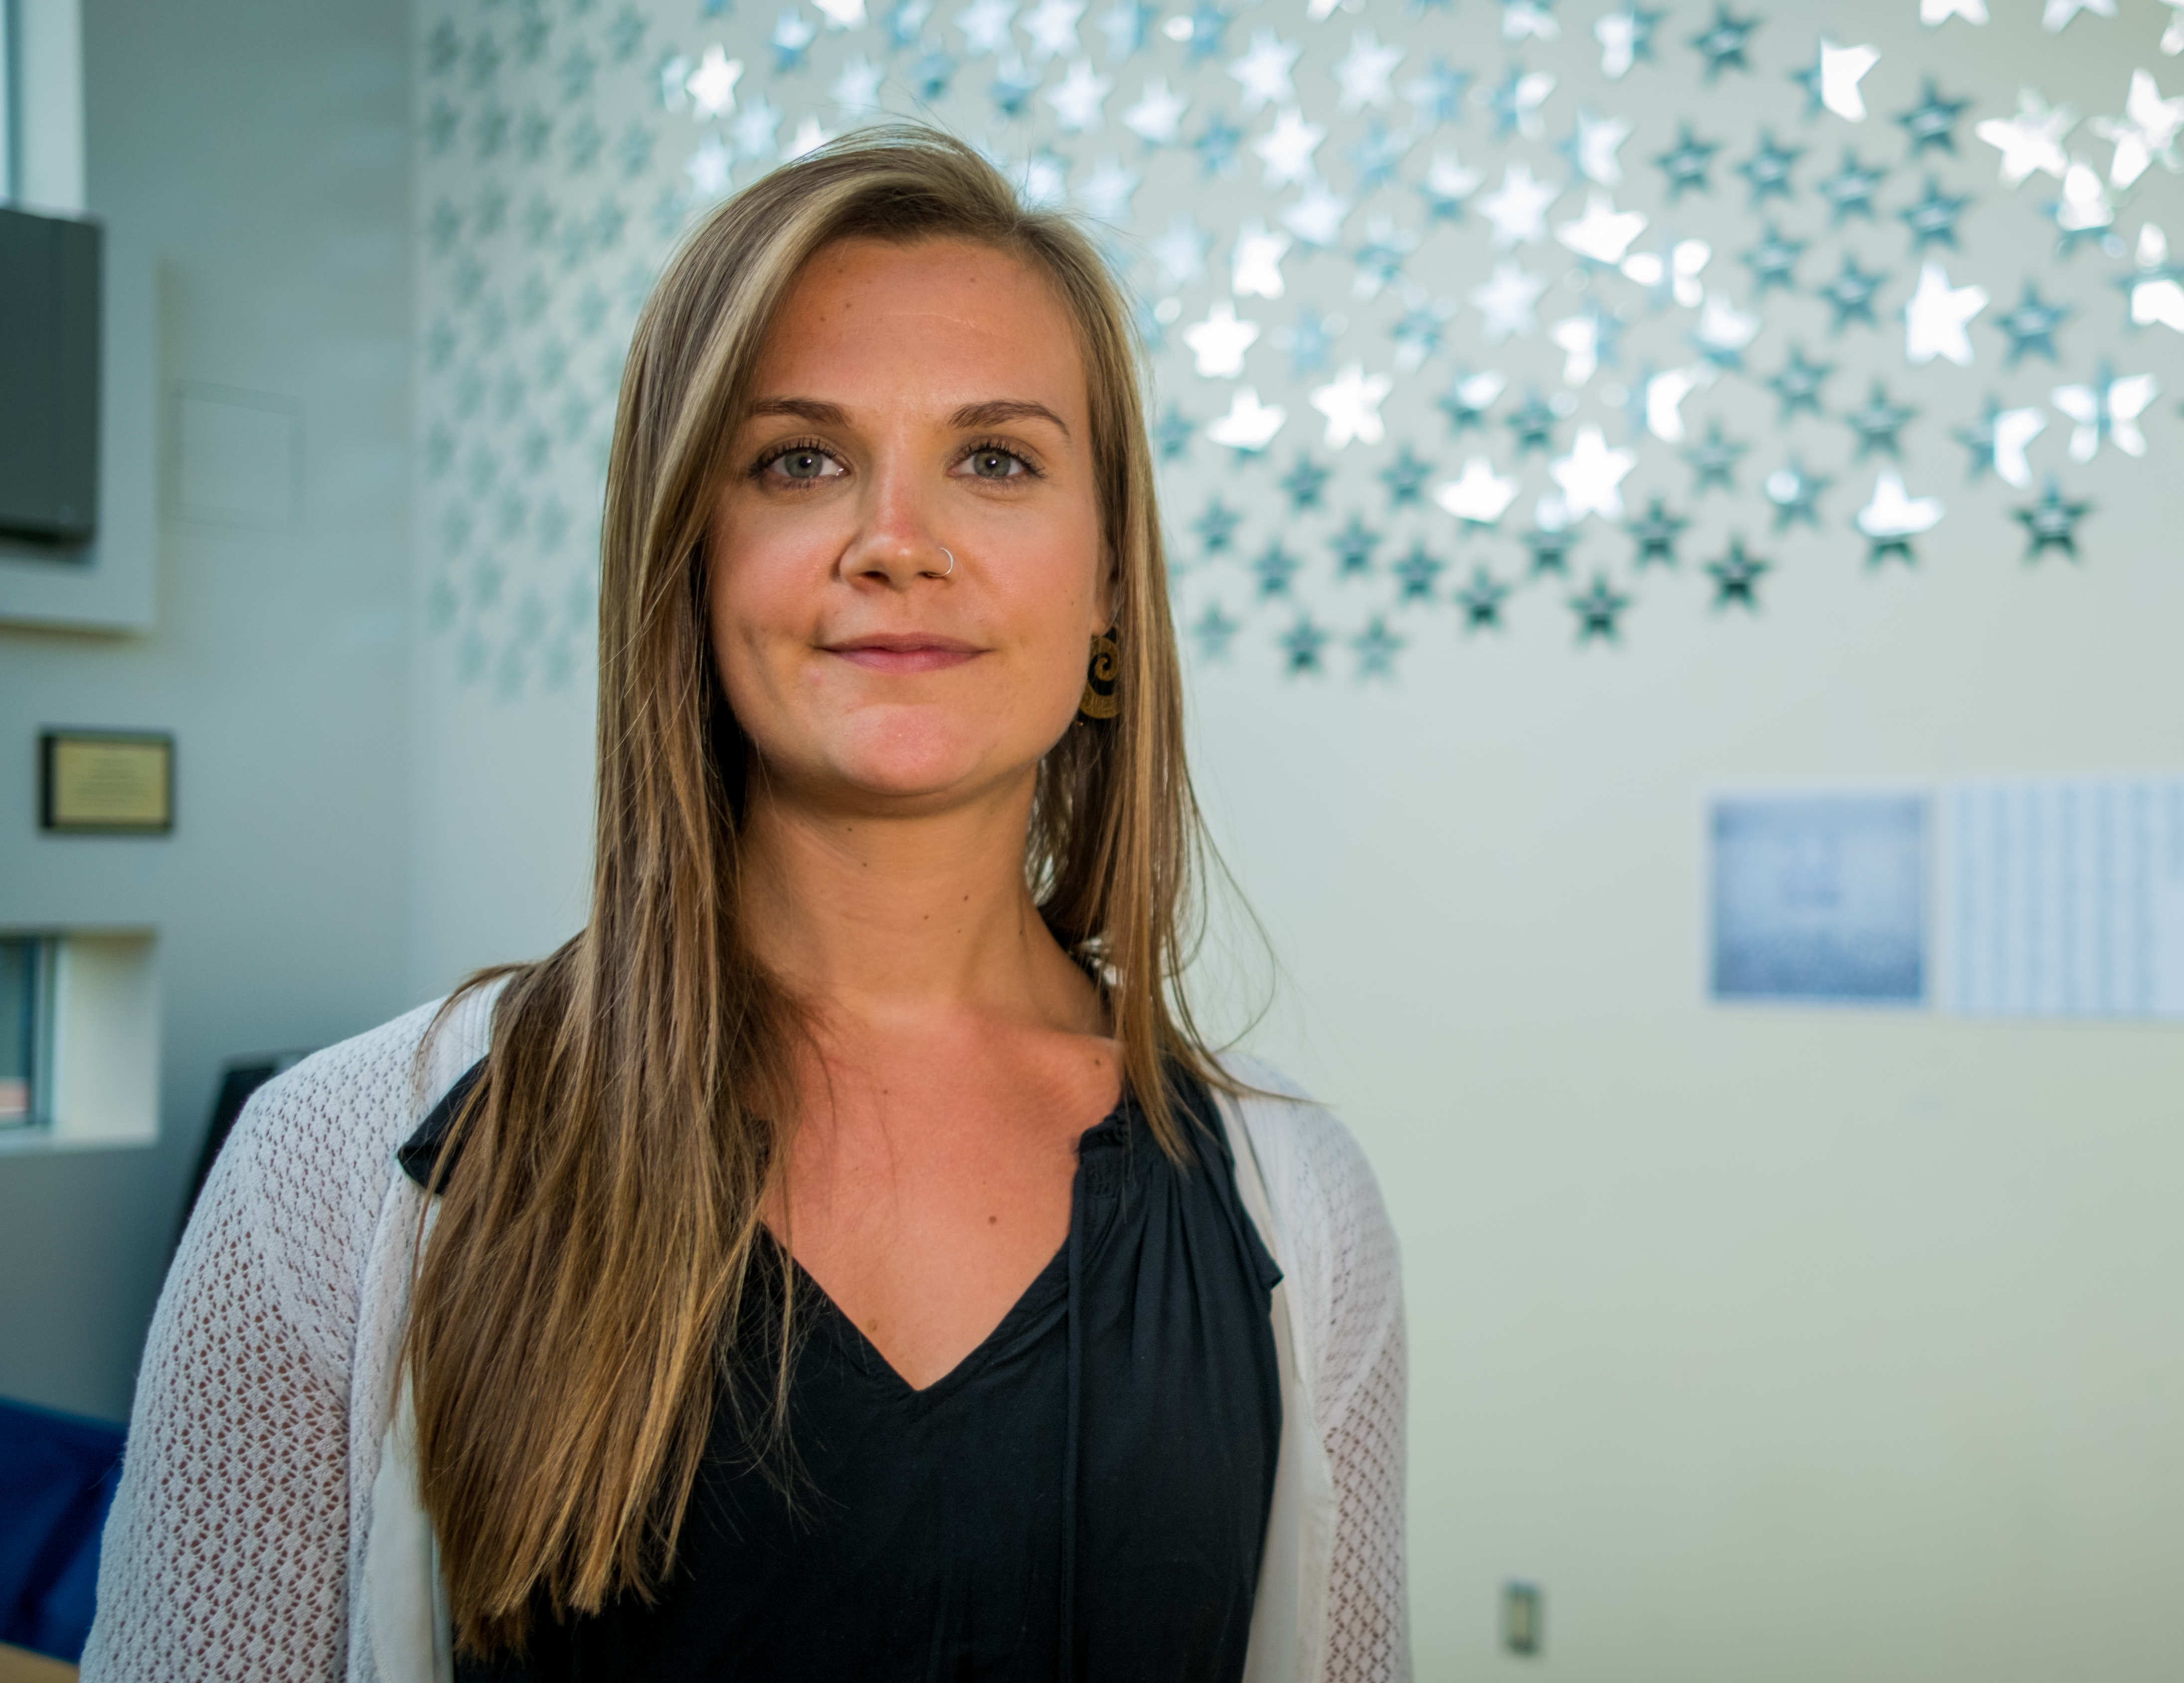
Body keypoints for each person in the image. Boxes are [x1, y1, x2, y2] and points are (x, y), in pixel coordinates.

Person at [83, 126, 1405, 1682]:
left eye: (996, 458)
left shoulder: (1302, 1215)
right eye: (799, 460)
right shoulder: (332, 1175)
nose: (896, 543)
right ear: (691, 560)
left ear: (1111, 577)